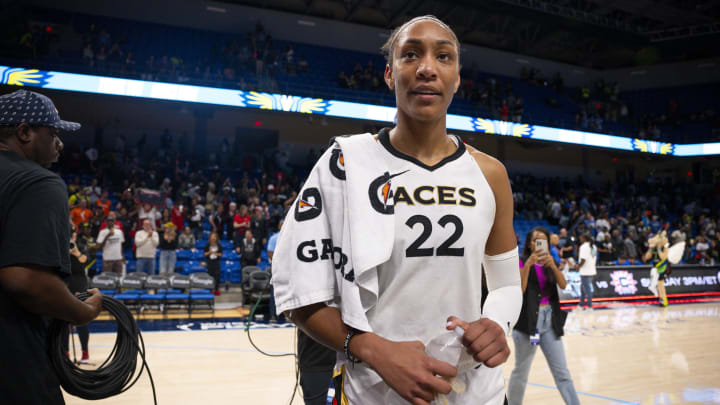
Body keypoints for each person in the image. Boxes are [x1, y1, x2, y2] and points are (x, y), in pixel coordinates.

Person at [272, 16, 522, 405]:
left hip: (477, 392)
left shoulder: (490, 174)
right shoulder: (345, 163)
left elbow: (506, 284)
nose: (426, 68)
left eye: (443, 56)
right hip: (372, 392)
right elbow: (299, 294)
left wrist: (497, 323)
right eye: (410, 55)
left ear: (457, 78)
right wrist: (371, 348)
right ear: (390, 74)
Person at [0, 89, 103, 404]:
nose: (60, 143)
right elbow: (25, 280)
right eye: (53, 133)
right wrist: (82, 312)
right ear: (25, 132)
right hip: (14, 365)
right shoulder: (38, 182)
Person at [507, 227, 580, 405]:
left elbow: (563, 285)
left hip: (549, 325)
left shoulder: (550, 262)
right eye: (534, 239)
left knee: (562, 372)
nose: (537, 242)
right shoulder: (522, 261)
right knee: (521, 371)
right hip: (530, 327)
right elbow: (521, 290)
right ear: (529, 243)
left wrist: (553, 266)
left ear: (547, 243)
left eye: (541, 239)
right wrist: (529, 265)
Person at [64, 230, 92, 363]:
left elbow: (85, 262)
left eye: (73, 232)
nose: (71, 235)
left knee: (81, 319)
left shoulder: (81, 245)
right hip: (64, 282)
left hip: (79, 283)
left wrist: (75, 252)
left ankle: (85, 352)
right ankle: (65, 352)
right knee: (63, 321)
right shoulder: (60, 244)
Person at [644, 232, 670, 306]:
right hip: (655, 267)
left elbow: (663, 257)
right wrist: (650, 249)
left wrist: (658, 249)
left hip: (663, 266)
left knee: (660, 283)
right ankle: (661, 299)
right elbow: (646, 257)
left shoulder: (666, 245)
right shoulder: (653, 247)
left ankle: (664, 300)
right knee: (656, 284)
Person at [577, 233, 597, 311]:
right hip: (591, 270)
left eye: (581, 238)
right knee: (583, 288)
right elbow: (593, 257)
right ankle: (581, 304)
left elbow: (583, 259)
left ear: (584, 238)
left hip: (585, 271)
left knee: (587, 288)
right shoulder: (594, 246)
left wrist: (578, 266)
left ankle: (589, 306)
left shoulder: (584, 246)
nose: (580, 239)